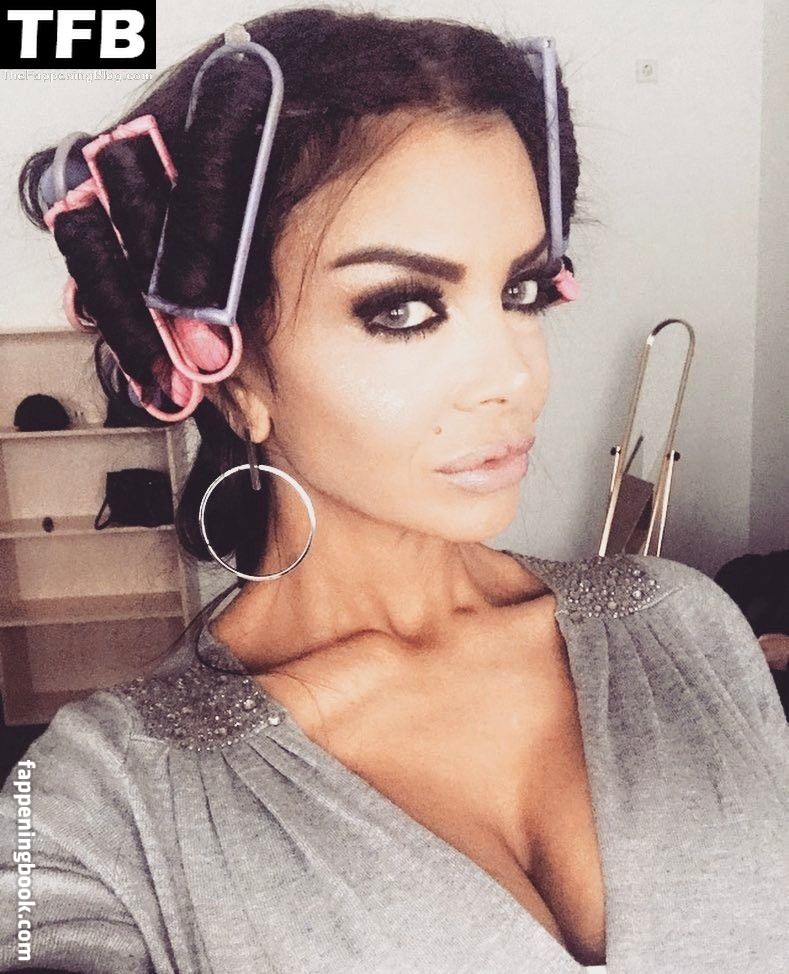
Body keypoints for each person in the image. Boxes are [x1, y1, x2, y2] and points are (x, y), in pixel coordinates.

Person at [1, 7, 787, 973]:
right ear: (228, 372)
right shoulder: (96, 802)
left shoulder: (686, 624)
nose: (515, 376)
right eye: (404, 309)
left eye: (521, 291)